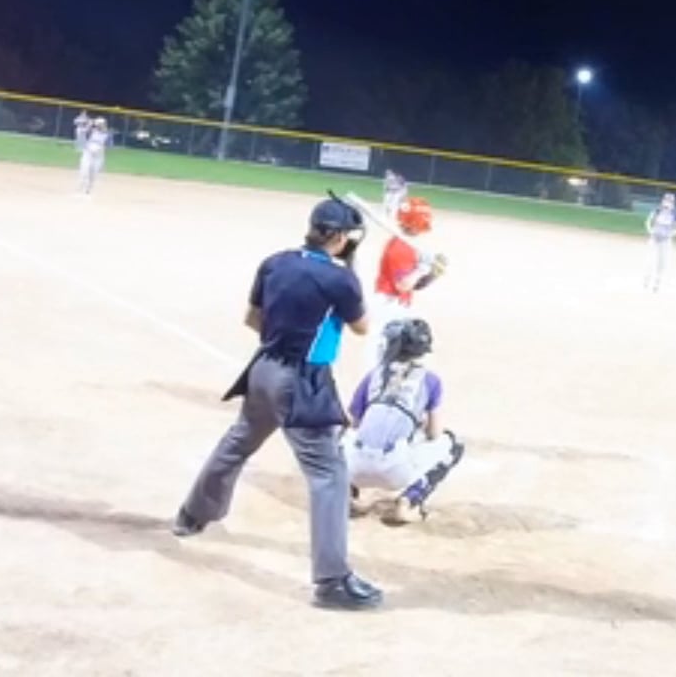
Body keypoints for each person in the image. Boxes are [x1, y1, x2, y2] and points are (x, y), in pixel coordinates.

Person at [172, 196, 383, 611]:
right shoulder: (340, 279)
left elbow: (252, 318)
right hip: (303, 380)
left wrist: (285, 334)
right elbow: (361, 326)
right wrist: (347, 272)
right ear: (341, 237)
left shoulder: (275, 263)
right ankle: (331, 581)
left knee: (239, 441)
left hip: (263, 368)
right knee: (329, 474)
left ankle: (191, 515)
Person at [346, 318, 464, 525]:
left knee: (340, 434)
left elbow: (354, 423)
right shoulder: (430, 380)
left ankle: (347, 495)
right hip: (396, 471)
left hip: (355, 468)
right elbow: (434, 434)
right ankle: (410, 500)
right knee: (453, 444)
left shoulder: (373, 375)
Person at [370, 197, 445, 352]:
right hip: (389, 304)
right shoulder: (401, 247)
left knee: (397, 352)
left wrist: (433, 274)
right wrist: (422, 268)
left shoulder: (407, 244)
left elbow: (414, 285)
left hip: (397, 303)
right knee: (387, 353)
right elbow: (403, 285)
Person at [644, 193, 676, 292]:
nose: (667, 203)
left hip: (665, 241)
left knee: (662, 262)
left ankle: (657, 282)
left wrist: (669, 235)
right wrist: (650, 230)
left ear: (673, 203)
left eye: (670, 201)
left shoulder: (675, 214)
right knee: (650, 259)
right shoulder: (657, 210)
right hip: (654, 238)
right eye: (666, 200)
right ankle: (647, 278)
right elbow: (648, 221)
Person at [76, 117, 110, 195]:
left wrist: (92, 123)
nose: (101, 126)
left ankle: (88, 189)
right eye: (100, 124)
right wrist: (89, 124)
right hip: (88, 154)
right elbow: (82, 132)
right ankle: (80, 188)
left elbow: (107, 142)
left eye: (102, 124)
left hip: (98, 156)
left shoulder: (106, 133)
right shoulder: (91, 131)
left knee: (93, 174)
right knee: (84, 171)